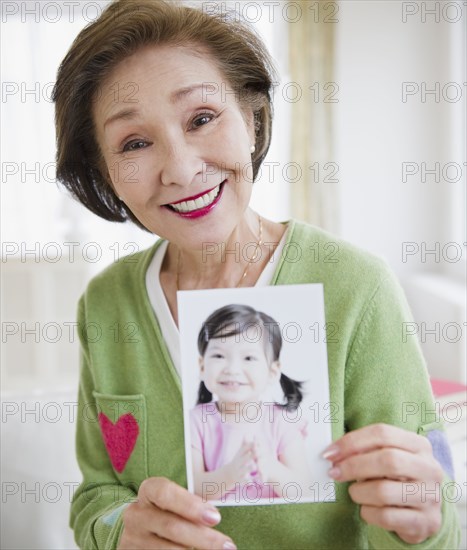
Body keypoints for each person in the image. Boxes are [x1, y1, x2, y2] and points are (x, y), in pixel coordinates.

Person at [52, 0, 460, 548]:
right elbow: (96, 496)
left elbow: (432, 515)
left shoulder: (356, 285)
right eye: (135, 143)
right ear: (105, 173)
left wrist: (421, 523)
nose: (180, 168)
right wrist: (118, 530)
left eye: (202, 118)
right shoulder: (106, 302)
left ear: (252, 120)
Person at [190, 304, 311, 503]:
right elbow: (194, 487)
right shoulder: (196, 421)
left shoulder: (281, 421)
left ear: (272, 372)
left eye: (248, 357)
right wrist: (230, 474)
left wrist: (271, 469)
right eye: (219, 356)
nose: (232, 369)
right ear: (202, 366)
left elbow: (305, 489)